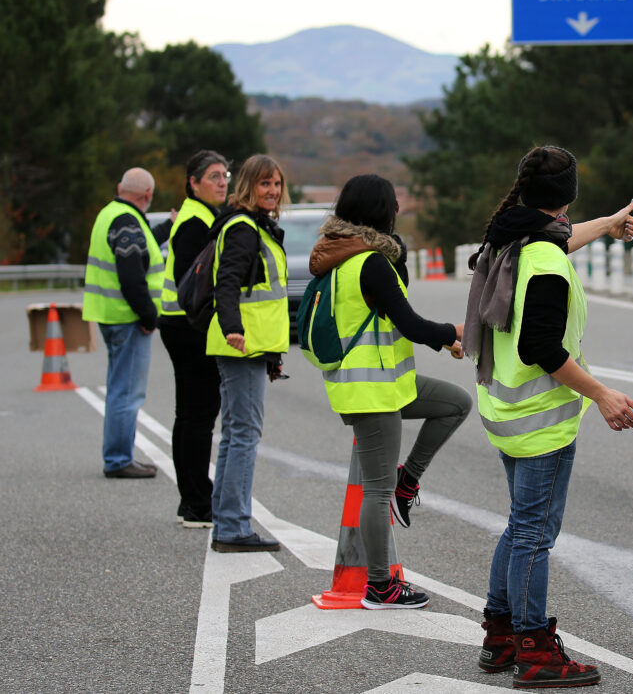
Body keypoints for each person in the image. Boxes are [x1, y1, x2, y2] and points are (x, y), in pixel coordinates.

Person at [463, 145, 633, 689]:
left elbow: (560, 236)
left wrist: (607, 224)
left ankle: (499, 635)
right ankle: (534, 648)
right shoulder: (544, 259)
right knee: (534, 536)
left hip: (507, 410)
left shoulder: (511, 234)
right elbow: (543, 345)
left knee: (521, 526)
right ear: (566, 196)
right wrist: (601, 394)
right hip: (540, 419)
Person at [308, 173, 472, 609]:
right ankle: (380, 586)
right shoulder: (369, 262)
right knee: (374, 493)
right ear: (380, 211)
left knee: (455, 403)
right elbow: (411, 324)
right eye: (394, 203)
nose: (399, 208)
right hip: (371, 390)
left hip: (385, 383)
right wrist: (454, 332)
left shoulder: (349, 257)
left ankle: (408, 481)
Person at [206, 154, 290, 553]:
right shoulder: (243, 228)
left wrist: (272, 355)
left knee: (235, 434)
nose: (272, 191)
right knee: (243, 434)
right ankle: (233, 526)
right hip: (240, 344)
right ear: (248, 186)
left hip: (254, 346)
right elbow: (227, 284)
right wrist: (234, 329)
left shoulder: (258, 226)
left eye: (276, 184)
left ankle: (226, 521)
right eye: (264, 184)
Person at [83, 167, 172, 478]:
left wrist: (167, 228)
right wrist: (148, 315)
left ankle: (118, 455)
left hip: (110, 314)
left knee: (118, 388)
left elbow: (140, 247)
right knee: (127, 392)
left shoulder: (111, 213)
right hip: (127, 317)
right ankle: (119, 459)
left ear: (121, 187)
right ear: (147, 195)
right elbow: (132, 273)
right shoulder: (127, 221)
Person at [158, 150, 230, 527]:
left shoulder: (199, 215)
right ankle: (198, 503)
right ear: (194, 182)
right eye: (214, 176)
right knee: (198, 416)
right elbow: (195, 282)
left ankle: (191, 499)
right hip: (189, 327)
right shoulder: (195, 221)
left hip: (178, 323)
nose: (222, 182)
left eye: (225, 176)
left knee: (188, 415)